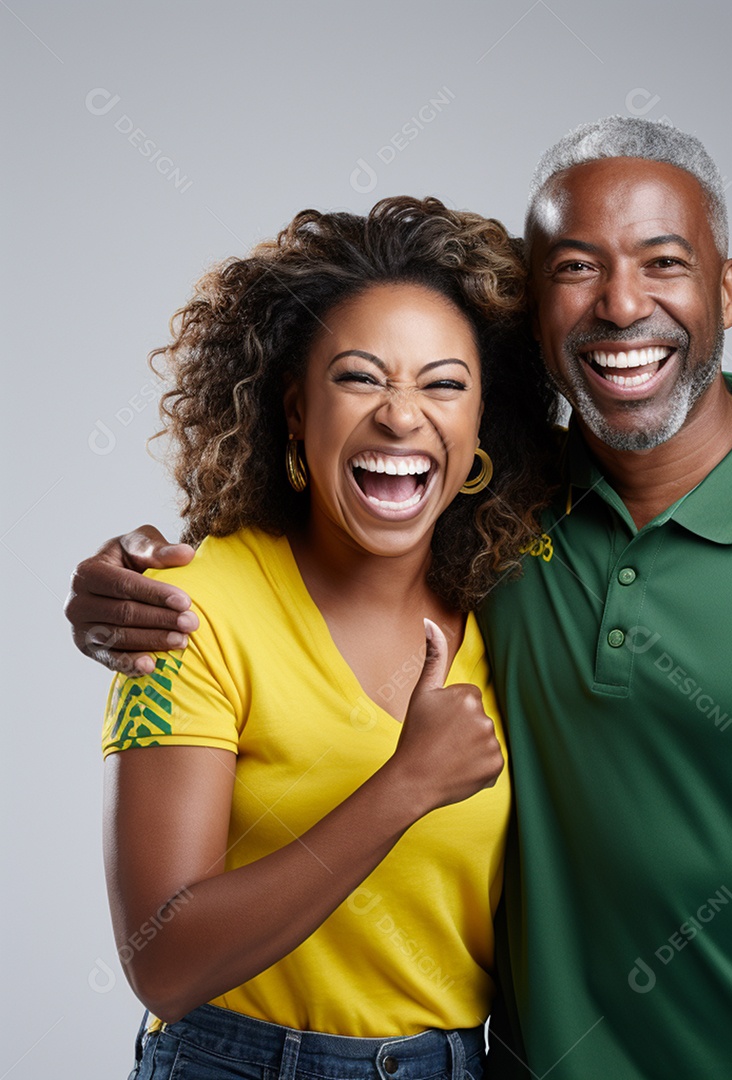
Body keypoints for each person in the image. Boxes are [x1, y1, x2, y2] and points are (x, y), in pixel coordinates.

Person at [66, 120, 732, 1079]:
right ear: (533, 311)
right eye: (576, 268)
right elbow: (163, 954)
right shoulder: (501, 527)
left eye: (663, 262)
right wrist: (119, 582)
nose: (620, 304)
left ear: (727, 287)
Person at [91, 195, 560, 1079]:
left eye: (444, 383)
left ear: (480, 428)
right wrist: (405, 785)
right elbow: (164, 963)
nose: (401, 414)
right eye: (359, 376)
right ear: (295, 411)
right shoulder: (196, 611)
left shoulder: (516, 602)